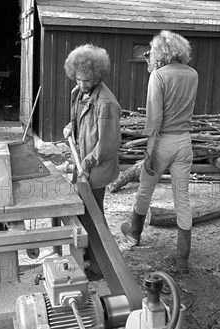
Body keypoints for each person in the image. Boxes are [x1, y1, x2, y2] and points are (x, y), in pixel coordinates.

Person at [120, 30, 198, 274]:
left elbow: (154, 118)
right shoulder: (193, 74)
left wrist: (149, 153)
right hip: (185, 142)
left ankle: (134, 234)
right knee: (182, 200)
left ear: (159, 53)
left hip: (163, 141)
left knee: (145, 188)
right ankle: (182, 259)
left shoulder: (158, 75)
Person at [62, 43, 122, 279]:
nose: (82, 84)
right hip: (83, 165)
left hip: (95, 169)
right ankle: (87, 256)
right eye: (78, 79)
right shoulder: (78, 94)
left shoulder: (106, 103)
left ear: (97, 75)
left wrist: (85, 163)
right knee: (83, 213)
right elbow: (78, 123)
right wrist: (70, 127)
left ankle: (101, 267)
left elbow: (107, 145)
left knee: (94, 217)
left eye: (87, 80)